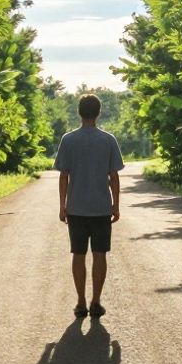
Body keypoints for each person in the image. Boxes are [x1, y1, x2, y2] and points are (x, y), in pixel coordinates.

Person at [54, 93, 124, 319]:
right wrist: (116, 205)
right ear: (98, 112)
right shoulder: (108, 140)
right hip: (102, 207)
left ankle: (81, 301)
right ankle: (96, 301)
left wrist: (62, 205)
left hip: (76, 208)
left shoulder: (68, 140)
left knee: (78, 254)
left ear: (79, 112)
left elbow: (63, 176)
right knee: (100, 253)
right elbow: (114, 177)